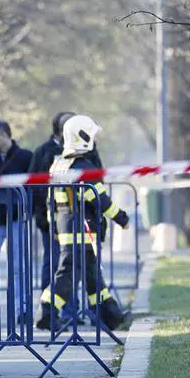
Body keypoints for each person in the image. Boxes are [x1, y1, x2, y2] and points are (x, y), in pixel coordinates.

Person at [37, 114, 128, 332]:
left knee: (91, 273)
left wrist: (54, 228)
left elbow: (51, 200)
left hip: (66, 226)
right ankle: (47, 312)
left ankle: (110, 315)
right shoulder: (84, 167)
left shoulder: (59, 165)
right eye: (92, 135)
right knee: (68, 273)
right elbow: (100, 199)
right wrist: (122, 218)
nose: (95, 140)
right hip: (81, 228)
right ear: (82, 137)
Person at [0, 119, 33, 325]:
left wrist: (27, 212)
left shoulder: (25, 157)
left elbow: (31, 186)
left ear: (5, 136)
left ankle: (22, 308)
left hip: (16, 219)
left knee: (18, 267)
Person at [29, 112, 75, 304]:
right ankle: (48, 310)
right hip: (50, 220)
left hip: (77, 219)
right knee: (53, 262)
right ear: (59, 129)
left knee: (75, 265)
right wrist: (41, 215)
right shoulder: (43, 152)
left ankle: (73, 310)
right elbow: (33, 184)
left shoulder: (84, 150)